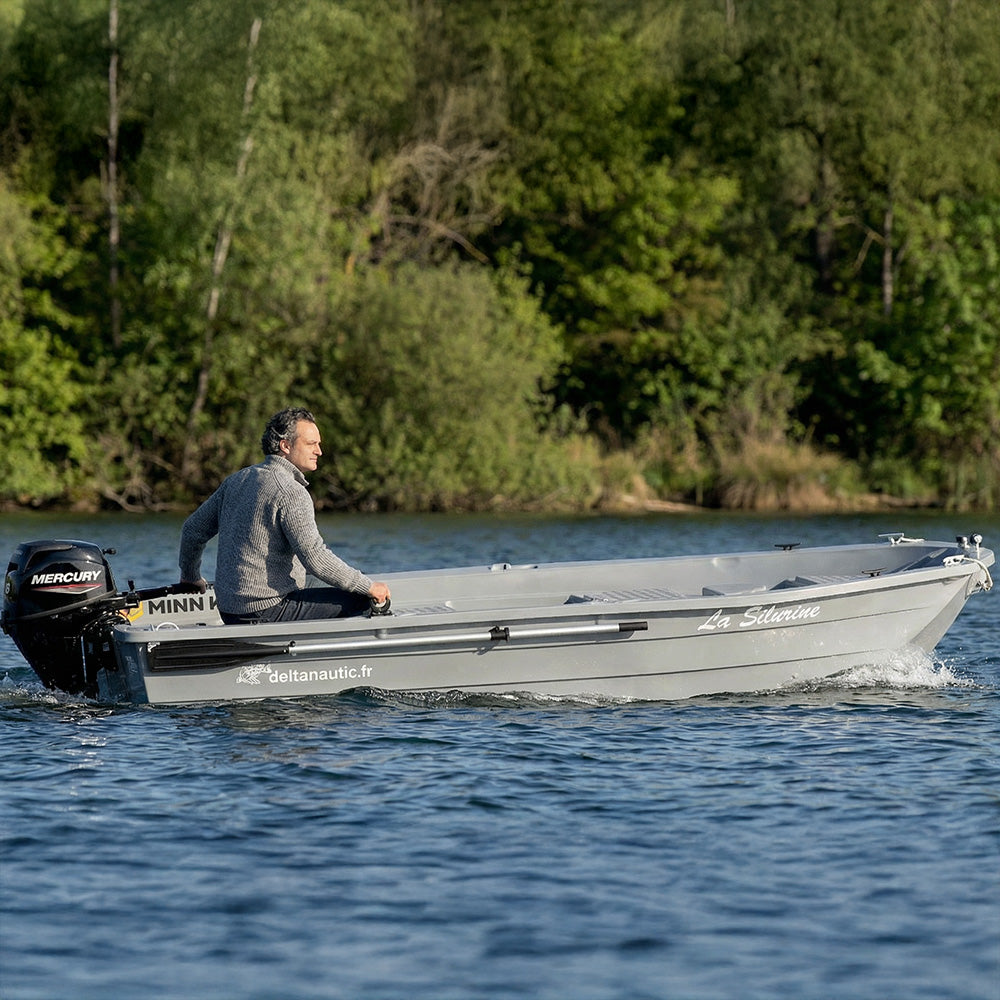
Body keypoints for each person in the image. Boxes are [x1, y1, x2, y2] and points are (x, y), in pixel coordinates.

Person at [178, 407, 390, 625]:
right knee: (363, 599)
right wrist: (368, 587)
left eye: (319, 444)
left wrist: (190, 576)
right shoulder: (291, 492)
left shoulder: (237, 480)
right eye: (311, 444)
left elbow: (193, 529)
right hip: (266, 610)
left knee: (327, 584)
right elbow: (315, 559)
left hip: (229, 609)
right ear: (285, 446)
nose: (319, 451)